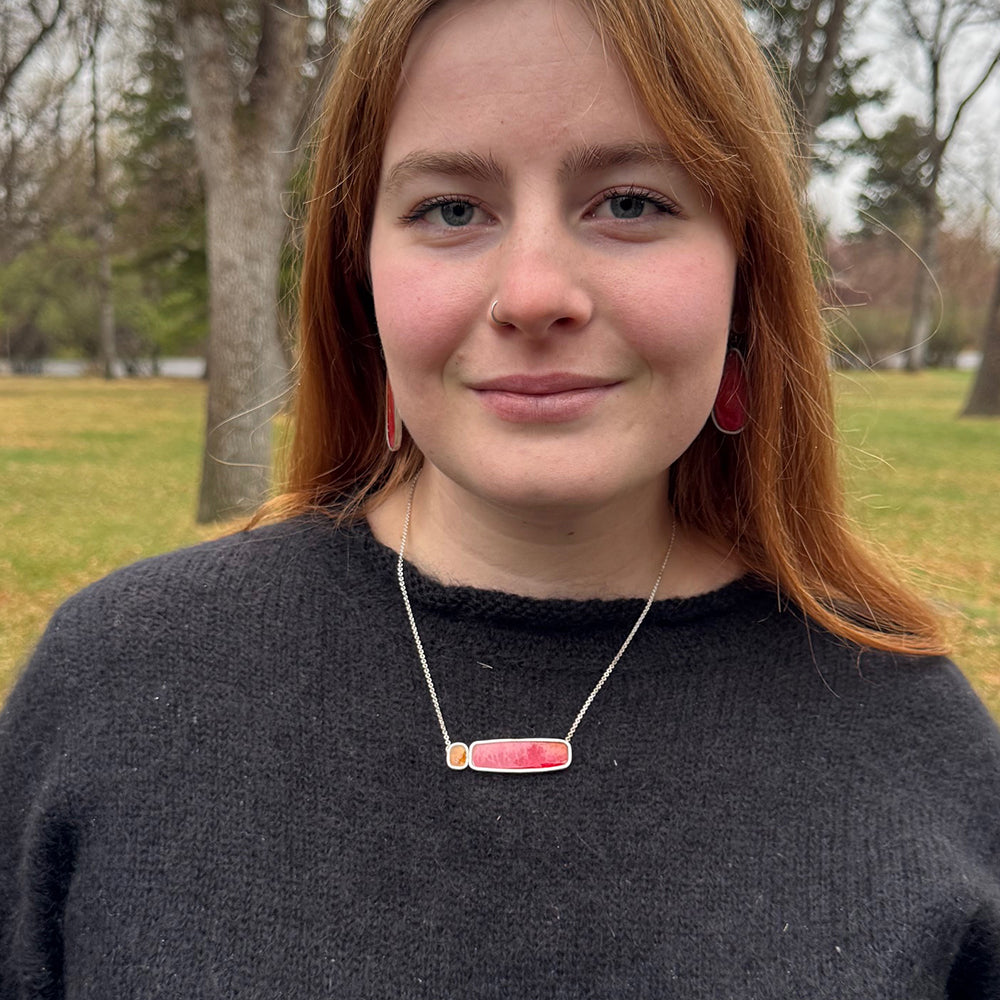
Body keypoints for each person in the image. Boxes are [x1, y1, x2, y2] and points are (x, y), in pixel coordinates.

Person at [2, 0, 998, 995]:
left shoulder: (921, 753)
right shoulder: (116, 684)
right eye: (449, 209)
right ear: (360, 286)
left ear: (746, 271)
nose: (532, 294)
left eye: (631, 202)